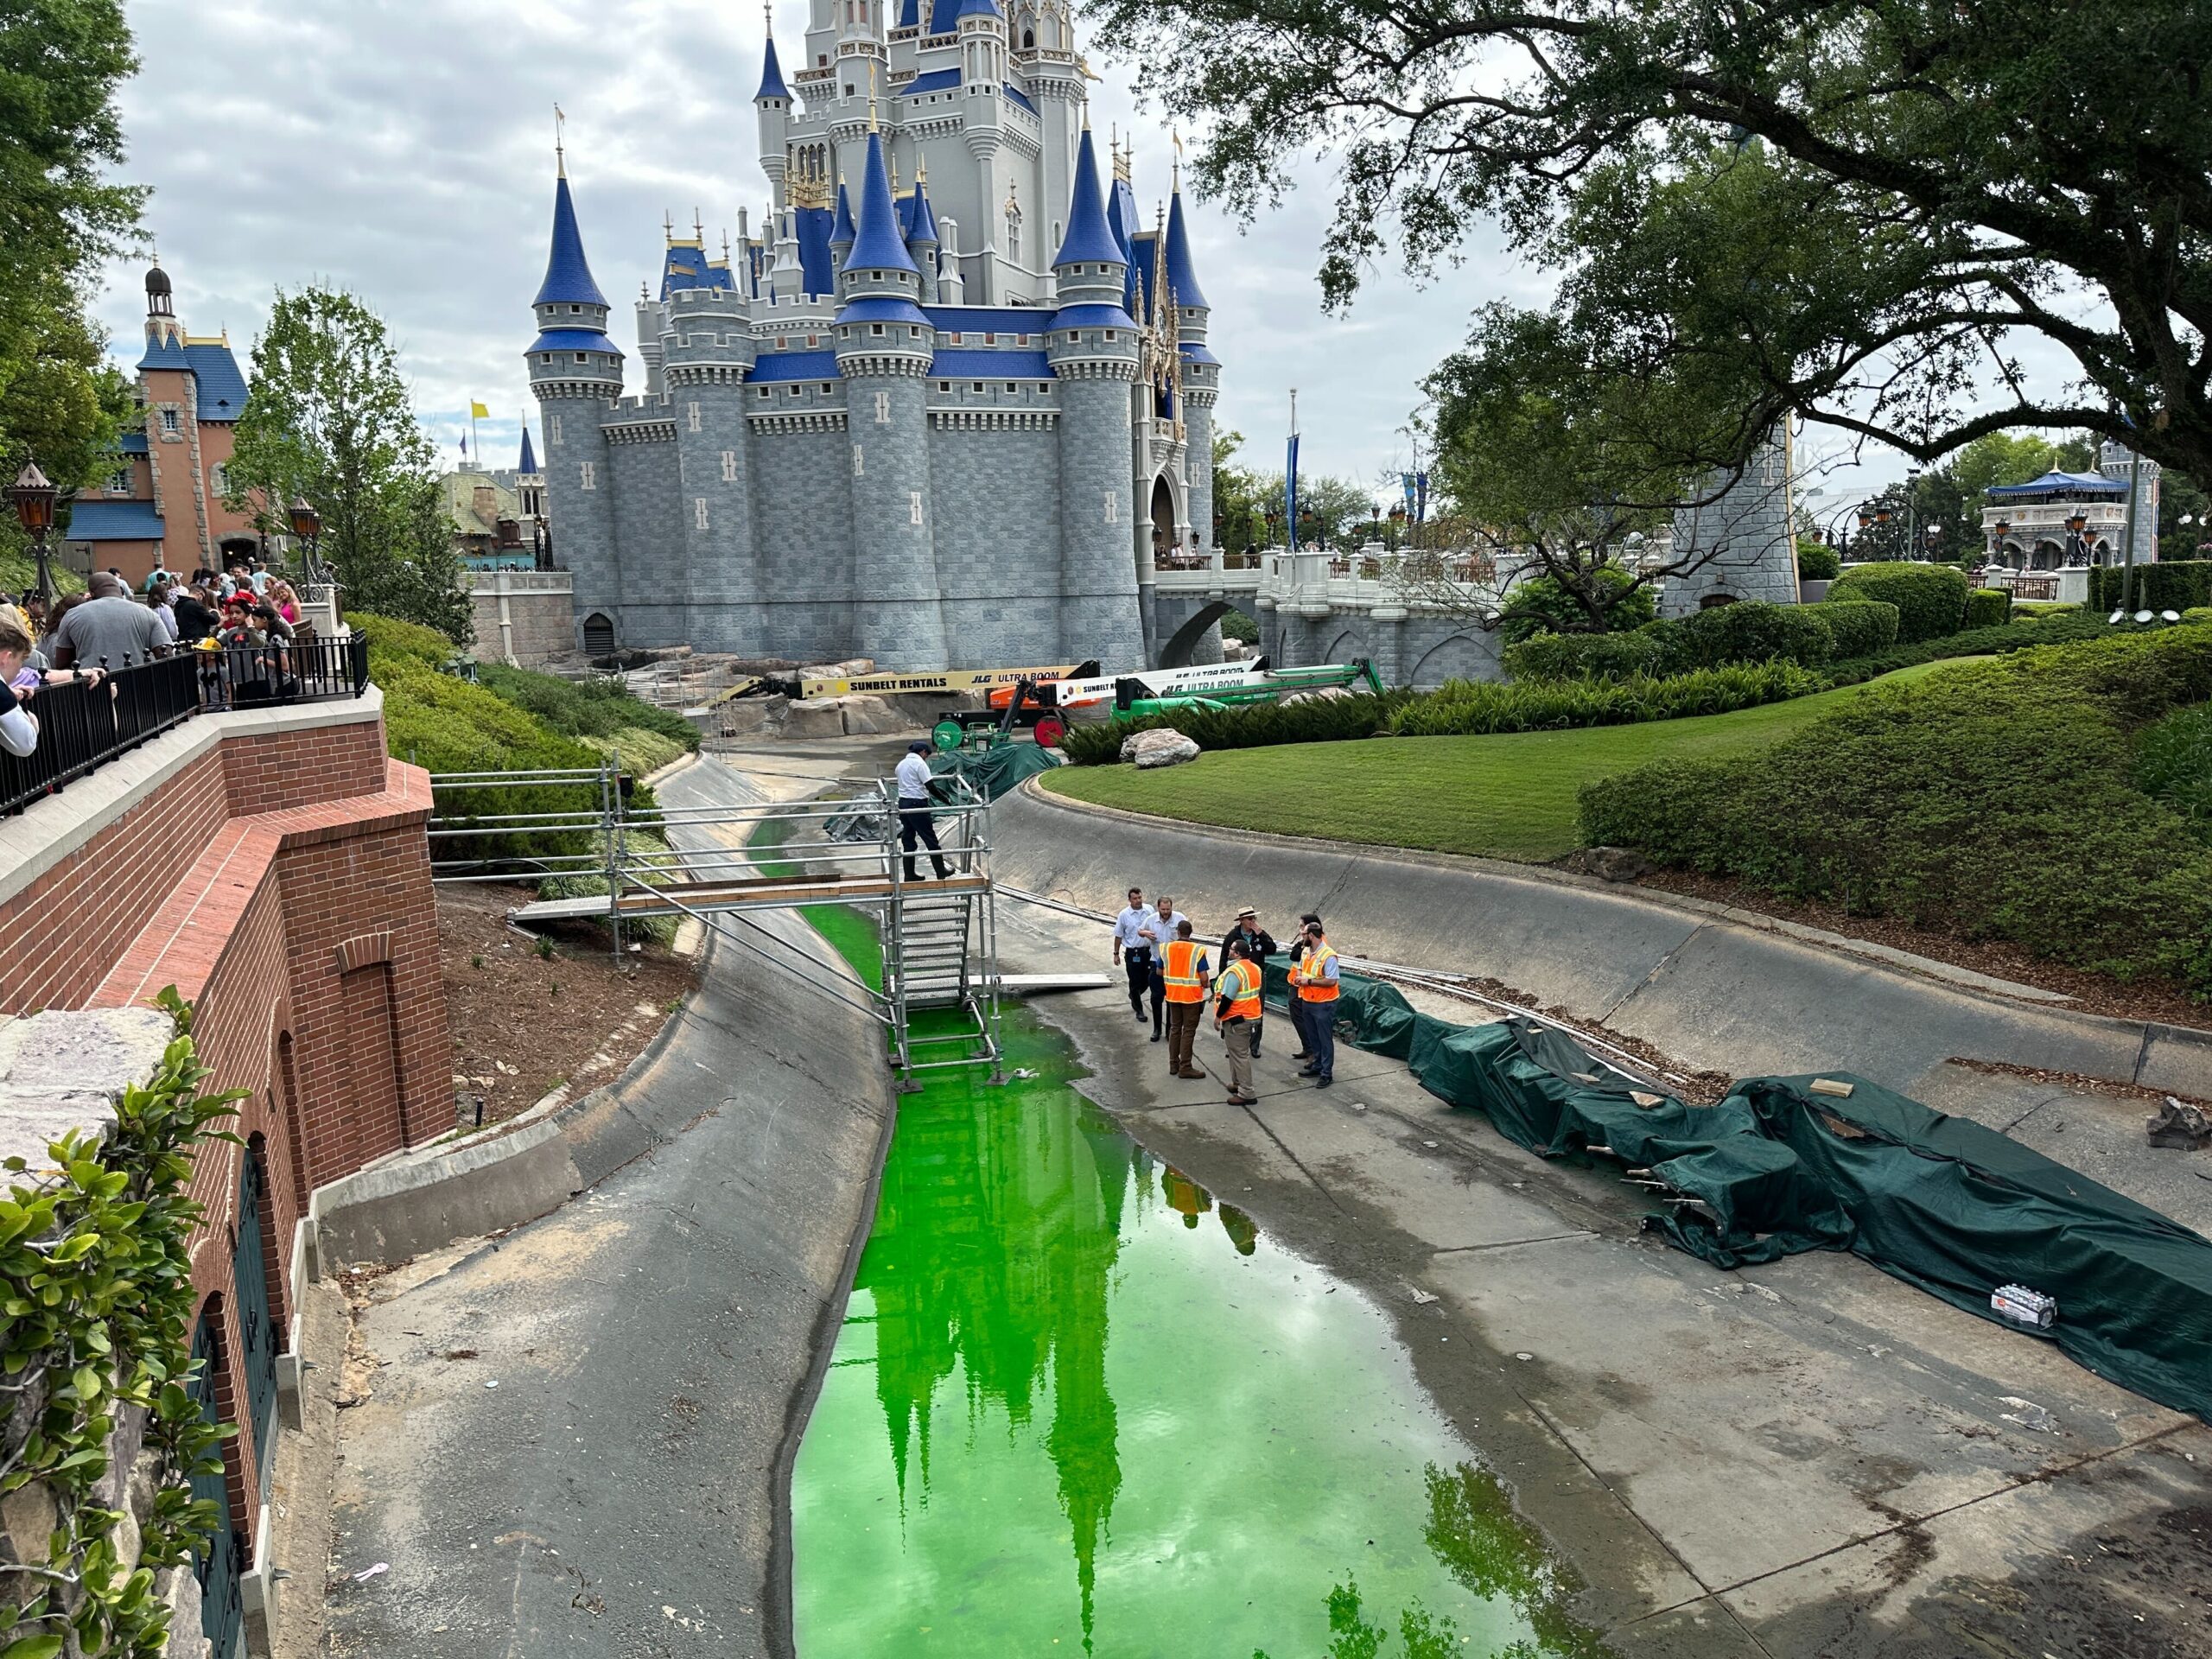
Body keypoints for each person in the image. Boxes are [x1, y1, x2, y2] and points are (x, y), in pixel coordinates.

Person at [46, 571, 168, 671]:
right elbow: (166, 656)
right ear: (121, 590)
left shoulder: (72, 615)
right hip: (139, 685)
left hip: (95, 687)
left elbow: (62, 664)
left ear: (92, 594)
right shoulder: (147, 613)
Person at [1221, 906, 1279, 1058]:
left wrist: (1262, 933)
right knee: (1235, 1011)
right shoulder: (1232, 937)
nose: (1253, 922)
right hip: (1237, 979)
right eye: (1250, 919)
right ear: (1241, 920)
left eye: (1254, 918)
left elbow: (1272, 949)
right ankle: (1235, 1045)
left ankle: (1254, 1045)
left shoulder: (1258, 935)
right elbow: (1223, 959)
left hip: (1256, 980)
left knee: (1257, 1011)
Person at [1160, 918, 1212, 1079]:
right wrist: (1207, 984)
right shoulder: (1197, 951)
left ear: (1178, 932)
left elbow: (1159, 971)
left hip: (1173, 996)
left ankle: (1173, 1065)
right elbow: (1203, 977)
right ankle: (1186, 1067)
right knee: (1188, 1031)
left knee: (1175, 1029)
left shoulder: (1166, 948)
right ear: (1191, 933)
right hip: (1191, 998)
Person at [1289, 920, 1340, 1087]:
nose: (1302, 937)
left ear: (1311, 935)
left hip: (1323, 1003)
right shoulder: (1305, 952)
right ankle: (1317, 1065)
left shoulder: (1328, 955)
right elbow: (1302, 969)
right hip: (1308, 1000)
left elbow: (1331, 981)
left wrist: (1308, 981)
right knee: (1313, 1036)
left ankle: (1327, 1073)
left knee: (1324, 1039)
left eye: (1304, 934)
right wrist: (1299, 978)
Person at [893, 740, 951, 881]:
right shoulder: (919, 764)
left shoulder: (901, 764)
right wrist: (945, 799)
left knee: (908, 839)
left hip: (903, 803)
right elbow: (930, 785)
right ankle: (940, 871)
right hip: (917, 804)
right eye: (926, 755)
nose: (926, 758)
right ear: (923, 752)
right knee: (930, 838)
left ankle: (909, 874)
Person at [1212, 938, 1262, 1105]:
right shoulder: (1255, 968)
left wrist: (1218, 1016)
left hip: (1236, 1019)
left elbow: (1228, 998)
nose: (1229, 950)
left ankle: (1246, 1092)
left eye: (1232, 949)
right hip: (1250, 1016)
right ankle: (1237, 1083)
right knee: (1235, 1053)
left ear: (1238, 953)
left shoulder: (1235, 972)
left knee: (1240, 1056)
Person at [1110, 886, 1160, 1026]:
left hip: (1148, 952)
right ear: (1129, 900)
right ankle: (1139, 1009)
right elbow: (1118, 935)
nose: (1138, 901)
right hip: (1133, 953)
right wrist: (1116, 954)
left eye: (1140, 898)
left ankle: (1134, 995)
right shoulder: (1124, 915)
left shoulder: (1149, 910)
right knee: (1134, 981)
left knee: (1148, 980)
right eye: (1135, 899)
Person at [1142, 894, 1180, 1041]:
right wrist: (1145, 933)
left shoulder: (1179, 918)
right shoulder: (1151, 919)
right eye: (1163, 909)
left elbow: (1187, 934)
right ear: (1158, 908)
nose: (1166, 912)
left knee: (1171, 1000)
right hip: (1155, 962)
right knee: (1156, 999)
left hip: (1174, 965)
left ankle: (1169, 1031)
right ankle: (1156, 1029)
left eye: (1168, 909)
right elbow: (1140, 930)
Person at [1286, 911, 1324, 1060]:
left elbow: (1296, 955)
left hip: (1311, 988)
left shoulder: (1319, 945)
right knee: (1299, 1017)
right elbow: (1293, 954)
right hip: (1301, 985)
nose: (1300, 931)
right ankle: (1308, 1048)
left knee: (1310, 1022)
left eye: (1303, 927)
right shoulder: (1304, 942)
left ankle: (1313, 1052)